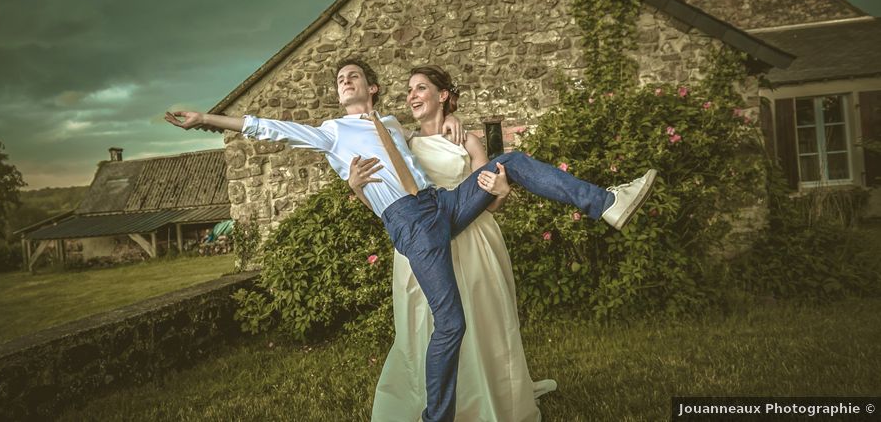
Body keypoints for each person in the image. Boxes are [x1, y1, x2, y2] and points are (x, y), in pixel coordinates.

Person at [165, 58, 656, 422]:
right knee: (451, 324)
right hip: (411, 222)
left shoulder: (397, 125)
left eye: (353, 76)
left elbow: (438, 141)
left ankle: (606, 203)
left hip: (441, 205)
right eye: (339, 79)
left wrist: (454, 127)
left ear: (372, 88)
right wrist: (207, 119)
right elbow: (265, 128)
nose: (345, 82)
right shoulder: (332, 132)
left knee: (519, 161)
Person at [348, 65, 556, 421]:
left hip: (473, 242)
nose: (412, 95)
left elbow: (489, 198)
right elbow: (388, 208)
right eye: (409, 90)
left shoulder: (467, 140)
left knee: (482, 321)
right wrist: (356, 187)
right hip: (422, 247)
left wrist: (502, 192)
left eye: (421, 88)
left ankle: (489, 399)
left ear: (442, 95)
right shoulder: (404, 144)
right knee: (424, 325)